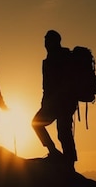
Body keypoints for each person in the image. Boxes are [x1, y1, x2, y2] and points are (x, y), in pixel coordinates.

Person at [32, 30, 78, 169]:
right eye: (45, 40)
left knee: (62, 130)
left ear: (55, 41)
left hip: (62, 102)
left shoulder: (59, 59)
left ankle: (64, 159)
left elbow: (51, 84)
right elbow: (47, 86)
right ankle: (62, 157)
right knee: (62, 131)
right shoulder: (58, 58)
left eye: (47, 40)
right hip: (61, 102)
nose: (45, 43)